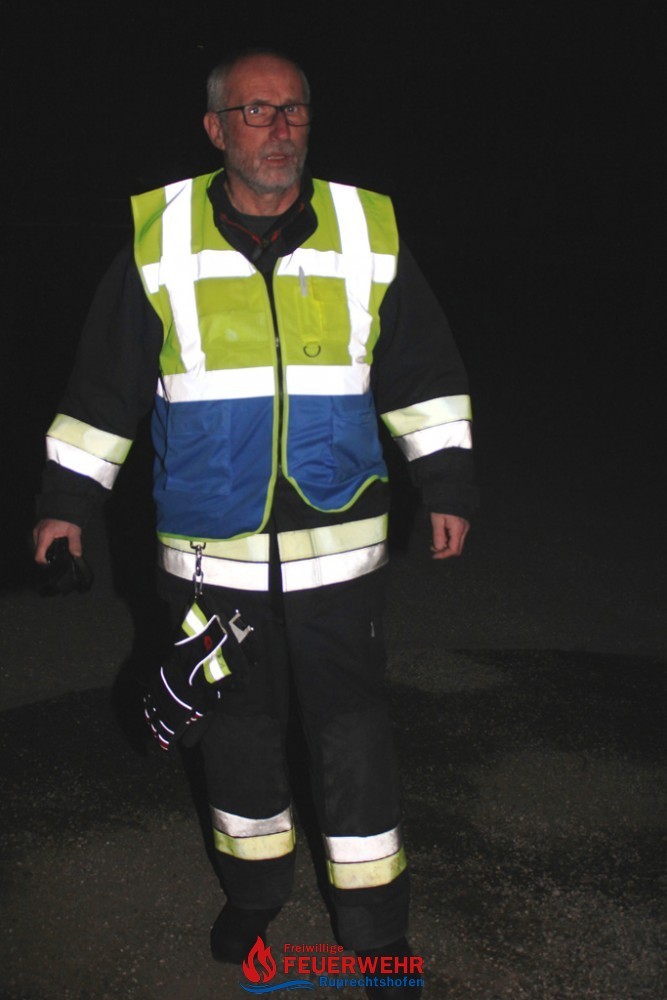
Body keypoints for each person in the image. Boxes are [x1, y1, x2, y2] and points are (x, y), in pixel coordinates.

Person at [33, 48, 477, 998]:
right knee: (233, 731)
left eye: (292, 110)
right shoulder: (158, 240)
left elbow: (421, 372)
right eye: (255, 111)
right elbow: (104, 389)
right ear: (215, 129)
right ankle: (254, 893)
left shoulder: (365, 229)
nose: (278, 128)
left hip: (339, 549)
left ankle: (374, 925)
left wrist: (445, 480)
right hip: (210, 553)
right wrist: (67, 504)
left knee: (351, 733)